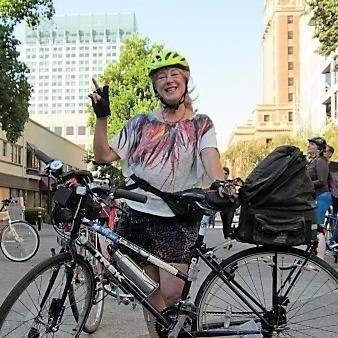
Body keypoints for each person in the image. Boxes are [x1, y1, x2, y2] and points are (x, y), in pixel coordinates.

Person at [90, 50, 228, 336]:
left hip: (176, 219)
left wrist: (220, 183)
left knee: (172, 293)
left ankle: (175, 329)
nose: (168, 80)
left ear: (185, 80)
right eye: (161, 77)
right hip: (137, 214)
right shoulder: (140, 123)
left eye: (174, 74)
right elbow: (104, 154)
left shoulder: (201, 123)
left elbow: (211, 160)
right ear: (155, 86)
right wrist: (102, 117)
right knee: (147, 293)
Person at [306, 137, 331, 259]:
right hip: (316, 197)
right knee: (313, 226)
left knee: (318, 227)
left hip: (322, 197)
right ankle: (314, 257)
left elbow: (322, 181)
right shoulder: (313, 161)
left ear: (319, 148)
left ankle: (320, 259)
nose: (309, 146)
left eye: (312, 144)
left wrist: (305, 184)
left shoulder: (321, 161)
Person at [323, 145, 338, 215]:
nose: (322, 153)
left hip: (334, 194)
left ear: (330, 154)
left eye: (325, 151)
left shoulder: (335, 165)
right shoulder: (315, 164)